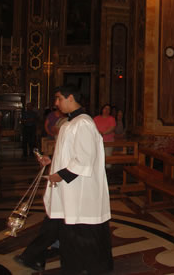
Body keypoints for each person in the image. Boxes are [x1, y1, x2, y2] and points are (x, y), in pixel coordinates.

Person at [14, 84, 113, 274]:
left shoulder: (83, 123)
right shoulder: (69, 123)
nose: (56, 103)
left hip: (80, 189)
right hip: (69, 188)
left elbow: (85, 158)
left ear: (70, 98)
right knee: (63, 225)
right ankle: (42, 259)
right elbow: (70, 153)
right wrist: (51, 160)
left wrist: (60, 175)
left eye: (59, 98)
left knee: (81, 230)